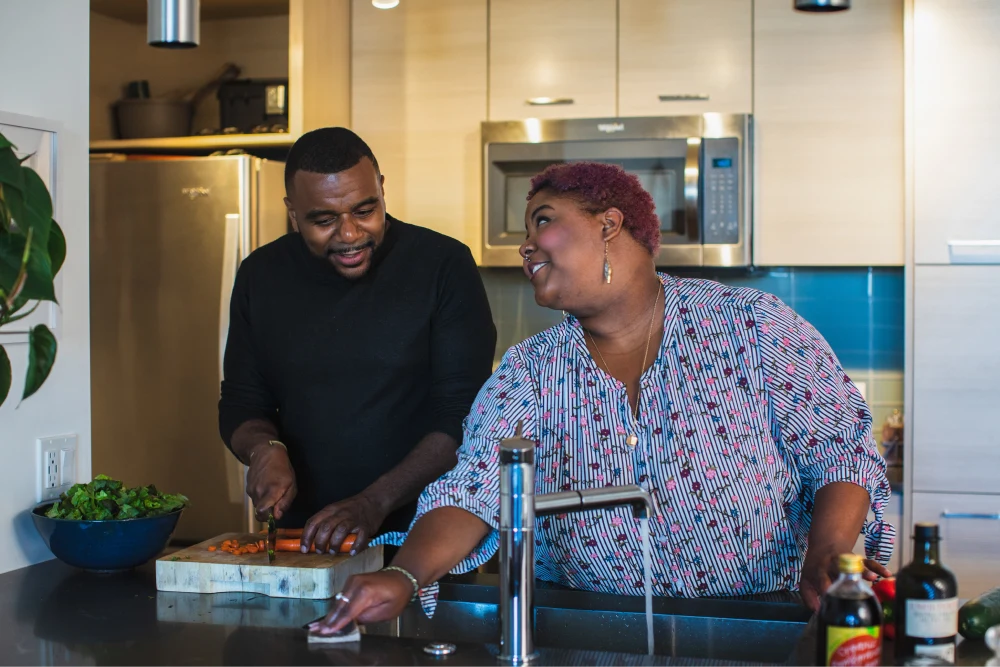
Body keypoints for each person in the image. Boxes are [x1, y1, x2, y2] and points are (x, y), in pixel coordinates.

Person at [309, 161, 894, 635]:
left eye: (542, 221)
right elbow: (476, 490)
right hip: (582, 626)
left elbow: (838, 451)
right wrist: (407, 576)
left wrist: (830, 552)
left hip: (757, 619)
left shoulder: (753, 327)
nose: (525, 246)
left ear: (610, 224)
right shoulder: (532, 370)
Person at [218, 127, 497, 554]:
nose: (349, 234)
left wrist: (373, 502)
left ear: (382, 189)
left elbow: (463, 418)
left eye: (365, 210)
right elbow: (241, 401)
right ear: (293, 212)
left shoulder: (442, 266)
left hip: (427, 540)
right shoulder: (261, 276)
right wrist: (263, 450)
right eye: (324, 220)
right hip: (304, 539)